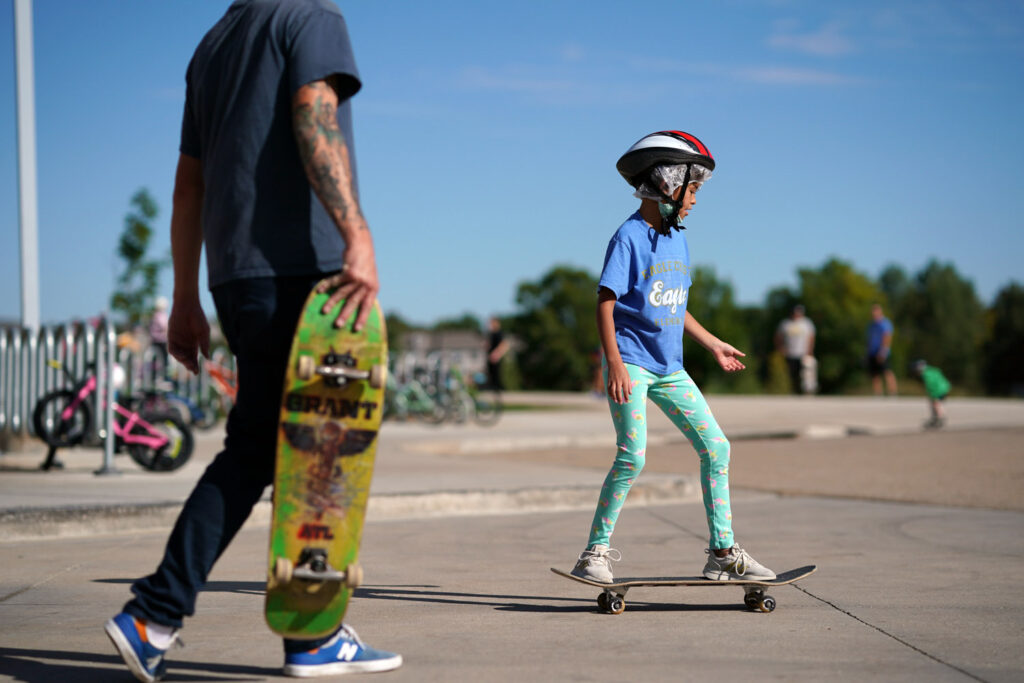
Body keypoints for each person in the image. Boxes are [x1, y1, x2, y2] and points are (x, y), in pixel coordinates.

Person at [103, 1, 401, 680]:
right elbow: (312, 111)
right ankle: (156, 612)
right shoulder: (310, 17)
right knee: (310, 449)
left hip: (234, 276)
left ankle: (307, 632)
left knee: (271, 449)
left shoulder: (213, 44)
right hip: (304, 271)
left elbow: (189, 185)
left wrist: (186, 296)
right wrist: (356, 231)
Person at [570, 131, 776, 584]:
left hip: (670, 368)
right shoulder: (628, 237)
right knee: (632, 457)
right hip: (632, 364)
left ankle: (722, 553)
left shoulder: (678, 240)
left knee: (717, 448)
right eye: (693, 188)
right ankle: (593, 554)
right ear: (666, 183)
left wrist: (713, 342)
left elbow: (673, 305)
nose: (696, 200)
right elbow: (604, 302)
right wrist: (616, 365)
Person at [774, 305, 815, 394]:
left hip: (803, 353)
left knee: (806, 374)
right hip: (790, 353)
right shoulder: (785, 323)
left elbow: (811, 337)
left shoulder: (807, 323)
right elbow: (778, 337)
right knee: (791, 374)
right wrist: (781, 348)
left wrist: (810, 350)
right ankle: (793, 391)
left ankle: (806, 391)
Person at [866, 303, 898, 396]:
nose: (874, 315)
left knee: (887, 371)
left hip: (882, 351)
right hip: (872, 351)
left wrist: (883, 351)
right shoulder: (871, 325)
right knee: (875, 374)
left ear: (880, 312)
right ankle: (878, 393)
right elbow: (869, 339)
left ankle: (892, 392)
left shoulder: (885, 323)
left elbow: (887, 337)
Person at [912, 359, 951, 428]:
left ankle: (939, 418)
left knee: (935, 403)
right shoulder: (932, 370)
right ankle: (937, 417)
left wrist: (933, 395)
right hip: (945, 387)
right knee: (936, 403)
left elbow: (932, 385)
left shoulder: (927, 374)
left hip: (939, 390)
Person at [485, 317, 510, 390]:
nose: (490, 325)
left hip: (496, 356)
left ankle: (498, 387)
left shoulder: (499, 333)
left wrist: (497, 353)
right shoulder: (491, 333)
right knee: (491, 372)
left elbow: (504, 344)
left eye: (492, 323)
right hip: (491, 355)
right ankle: (493, 386)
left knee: (497, 373)